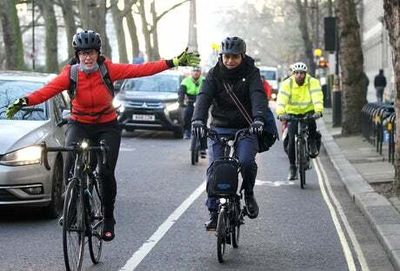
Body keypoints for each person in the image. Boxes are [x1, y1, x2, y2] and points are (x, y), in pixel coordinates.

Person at [5, 30, 200, 241]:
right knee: (71, 164)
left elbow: (141, 69)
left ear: (98, 54)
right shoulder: (70, 74)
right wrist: (24, 101)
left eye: (91, 53)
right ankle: (71, 207)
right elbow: (47, 90)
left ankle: (108, 217)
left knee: (106, 172)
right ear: (77, 55)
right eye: (83, 53)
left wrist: (173, 62)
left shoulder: (109, 70)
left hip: (107, 125)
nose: (87, 57)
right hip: (79, 123)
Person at [191, 36, 268, 231]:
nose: (229, 61)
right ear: (221, 56)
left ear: (242, 56)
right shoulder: (214, 74)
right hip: (219, 126)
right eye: (226, 57)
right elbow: (204, 97)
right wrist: (198, 119)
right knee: (214, 167)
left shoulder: (252, 72)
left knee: (246, 162)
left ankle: (248, 193)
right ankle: (213, 211)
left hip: (246, 127)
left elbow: (257, 95)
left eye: (234, 57)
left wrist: (258, 118)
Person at [276, 62, 323, 181]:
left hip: (308, 111)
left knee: (312, 123)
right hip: (292, 114)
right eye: (296, 73)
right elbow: (281, 99)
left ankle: (312, 143)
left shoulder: (313, 82)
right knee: (291, 140)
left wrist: (318, 110)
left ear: (305, 74)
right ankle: (292, 168)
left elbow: (317, 96)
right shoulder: (287, 84)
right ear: (293, 74)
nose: (299, 76)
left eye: (302, 73)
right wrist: (281, 113)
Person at [178, 66, 205, 139]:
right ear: (191, 72)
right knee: (187, 115)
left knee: (204, 116)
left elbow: (209, 91)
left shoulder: (204, 80)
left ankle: (204, 133)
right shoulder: (186, 80)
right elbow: (181, 92)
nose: (196, 73)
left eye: (198, 71)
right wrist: (181, 101)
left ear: (200, 73)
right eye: (194, 71)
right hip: (190, 100)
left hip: (201, 99)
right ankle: (187, 131)